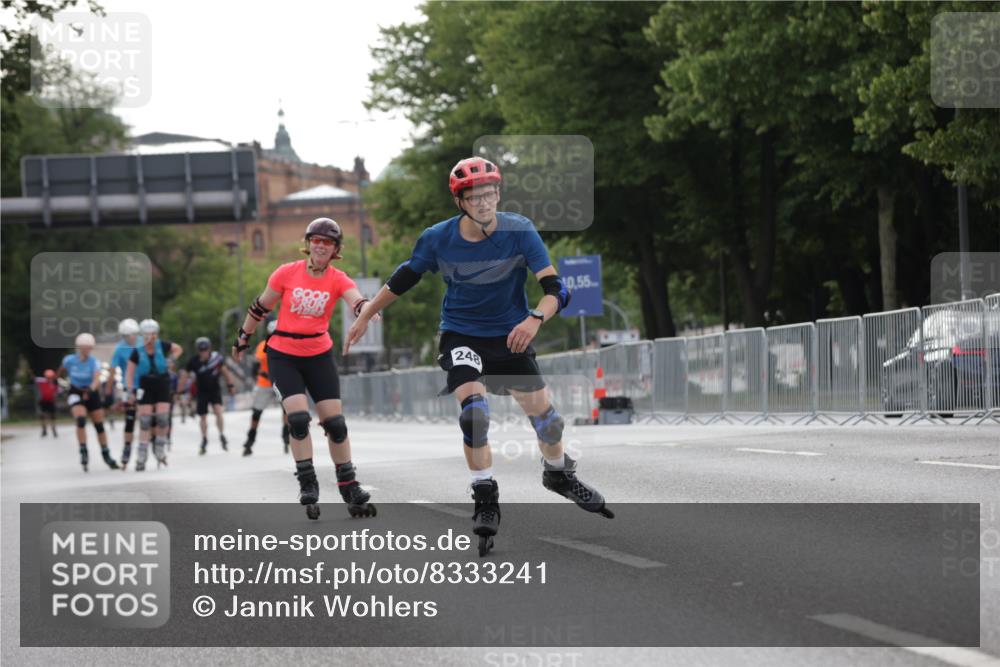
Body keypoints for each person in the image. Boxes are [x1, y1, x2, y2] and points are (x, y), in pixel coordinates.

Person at [346, 157, 612, 556]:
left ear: (498, 194)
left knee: (549, 423)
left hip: (511, 337)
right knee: (475, 412)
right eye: (474, 196)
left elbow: (558, 289)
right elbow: (404, 277)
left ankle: (557, 474)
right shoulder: (438, 238)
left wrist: (535, 318)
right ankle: (485, 494)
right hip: (461, 335)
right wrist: (366, 313)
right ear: (461, 201)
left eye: (490, 193)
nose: (484, 201)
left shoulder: (520, 230)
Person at [232, 217, 378, 520]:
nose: (321, 246)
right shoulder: (287, 273)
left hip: (319, 353)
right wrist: (243, 337)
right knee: (298, 419)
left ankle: (348, 484)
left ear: (336, 249)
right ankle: (307, 481)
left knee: (335, 424)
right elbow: (260, 307)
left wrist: (366, 310)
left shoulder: (338, 278)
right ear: (308, 244)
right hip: (283, 354)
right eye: (316, 240)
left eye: (328, 242)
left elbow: (356, 299)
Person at [125, 319, 183, 471]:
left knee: (163, 418)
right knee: (145, 420)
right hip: (146, 385)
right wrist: (130, 391)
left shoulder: (162, 346)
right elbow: (129, 373)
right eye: (148, 335)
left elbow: (178, 349)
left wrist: (171, 359)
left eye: (154, 334)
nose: (151, 338)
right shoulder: (137, 351)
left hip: (162, 383)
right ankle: (142, 455)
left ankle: (160, 447)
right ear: (143, 336)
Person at [58, 333, 118, 471]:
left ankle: (106, 453)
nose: (86, 351)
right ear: (78, 347)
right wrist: (62, 383)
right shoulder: (69, 360)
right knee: (80, 420)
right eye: (84, 348)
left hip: (91, 392)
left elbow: (97, 378)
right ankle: (83, 450)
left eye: (89, 348)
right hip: (76, 392)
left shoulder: (94, 362)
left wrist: (90, 390)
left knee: (99, 426)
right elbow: (60, 371)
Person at [179, 337, 235, 455]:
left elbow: (226, 372)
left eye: (205, 349)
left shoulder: (217, 359)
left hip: (215, 390)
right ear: (198, 350)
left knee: (218, 412)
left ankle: (221, 434)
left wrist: (230, 385)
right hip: (202, 392)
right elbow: (184, 376)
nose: (203, 352)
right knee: (203, 417)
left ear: (209, 349)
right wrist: (179, 391)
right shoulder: (193, 361)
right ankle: (204, 439)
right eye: (201, 350)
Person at [243, 319, 290, 456]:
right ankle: (250, 439)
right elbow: (255, 366)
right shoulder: (264, 346)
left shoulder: (283, 345)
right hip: (266, 382)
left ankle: (286, 434)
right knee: (257, 412)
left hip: (278, 381)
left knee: (287, 409)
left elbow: (254, 368)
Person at [107, 318, 140, 469]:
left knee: (148, 418)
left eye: (134, 334)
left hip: (147, 385)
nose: (132, 338)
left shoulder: (143, 342)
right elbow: (112, 370)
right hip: (130, 387)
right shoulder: (120, 349)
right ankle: (127, 448)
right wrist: (109, 389)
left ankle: (152, 442)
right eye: (128, 335)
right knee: (130, 418)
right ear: (123, 336)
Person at [35, 369, 60, 438]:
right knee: (43, 415)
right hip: (43, 401)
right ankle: (44, 429)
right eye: (48, 377)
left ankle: (53, 429)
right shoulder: (42, 382)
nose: (49, 379)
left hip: (51, 402)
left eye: (51, 377)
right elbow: (35, 378)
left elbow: (57, 392)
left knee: (52, 416)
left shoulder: (55, 384)